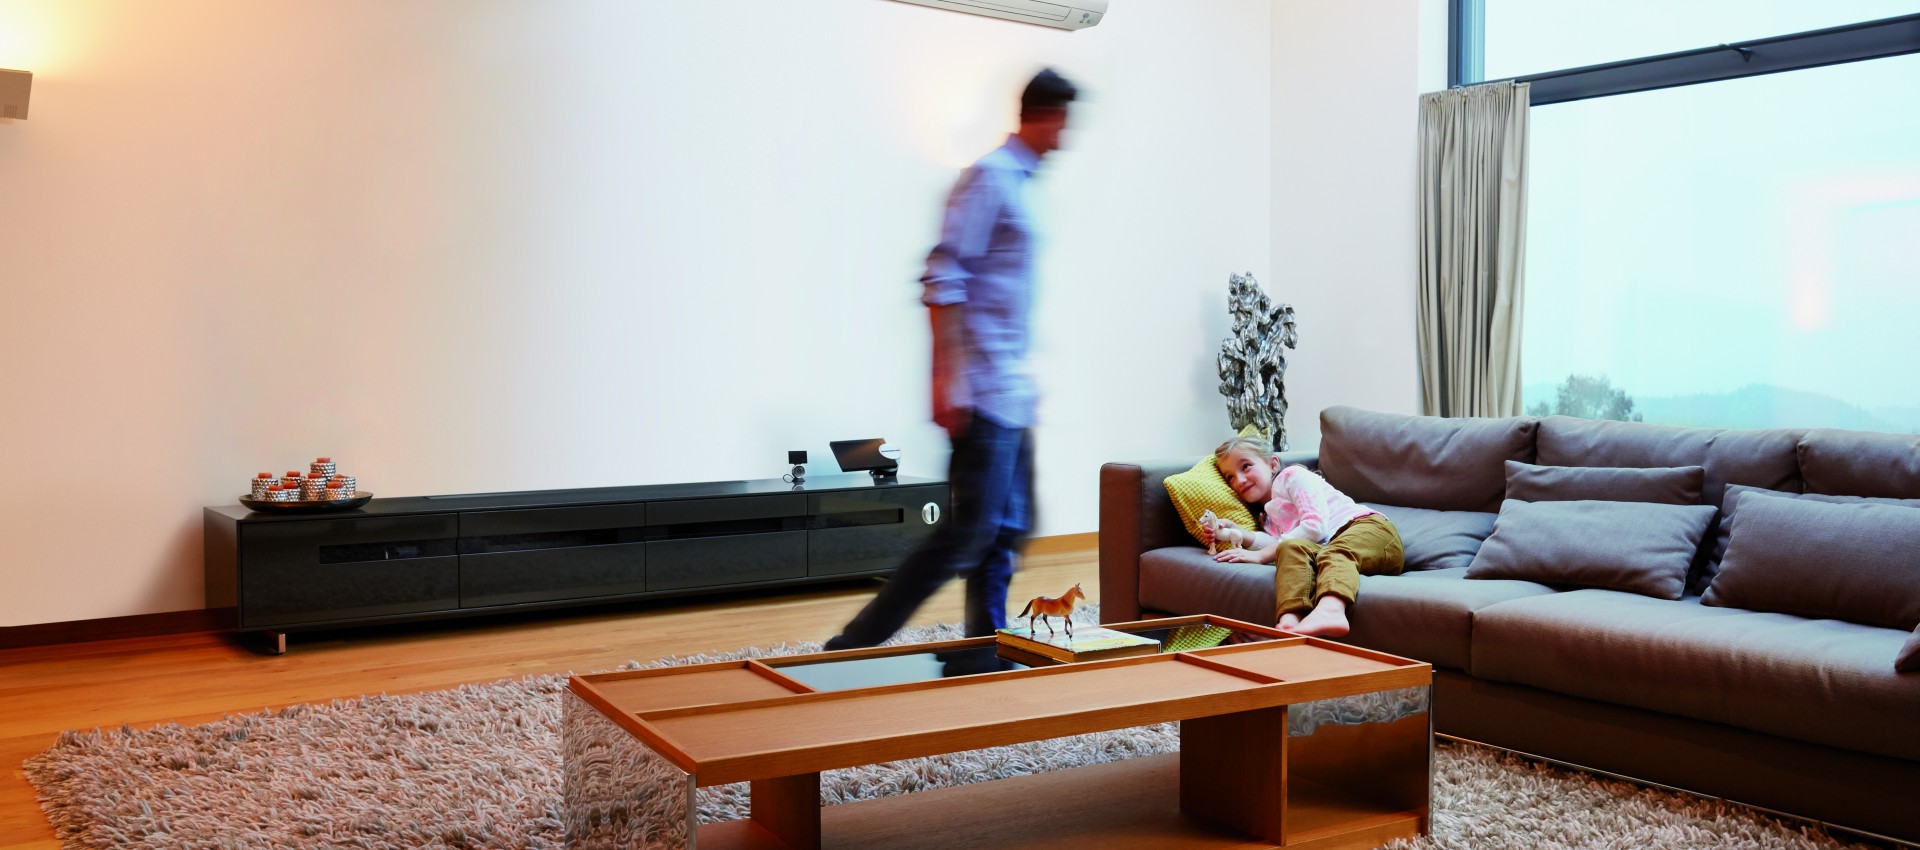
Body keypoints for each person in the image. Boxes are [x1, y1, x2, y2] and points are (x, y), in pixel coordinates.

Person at [822, 69, 1079, 662]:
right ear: (1046, 116)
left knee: (1008, 530)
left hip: (1014, 391)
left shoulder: (1027, 185)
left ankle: (981, 651)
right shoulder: (990, 178)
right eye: (1064, 122)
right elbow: (943, 277)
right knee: (969, 533)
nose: (1066, 136)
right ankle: (848, 648)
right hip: (982, 388)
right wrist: (946, 377)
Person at [1201, 434, 1404, 638]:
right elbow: (1277, 544)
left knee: (1333, 553)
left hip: (1371, 531)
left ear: (1272, 464)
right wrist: (1233, 532)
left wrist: (1260, 556)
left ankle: (1331, 611)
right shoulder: (1267, 518)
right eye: (1230, 477)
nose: (1239, 480)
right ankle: (1290, 621)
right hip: (1329, 549)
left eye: (1246, 467)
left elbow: (1315, 526)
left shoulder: (1292, 476)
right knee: (1289, 548)